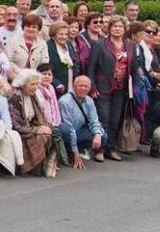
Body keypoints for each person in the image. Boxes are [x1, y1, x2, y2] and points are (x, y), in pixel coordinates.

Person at [87, 15, 140, 161]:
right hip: (103, 87)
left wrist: (135, 87)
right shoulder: (99, 44)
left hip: (121, 89)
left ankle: (111, 148)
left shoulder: (130, 45)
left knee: (116, 119)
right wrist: (92, 87)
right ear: (109, 28)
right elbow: (91, 67)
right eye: (114, 26)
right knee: (103, 118)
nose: (117, 29)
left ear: (125, 29)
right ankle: (99, 150)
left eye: (120, 27)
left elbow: (134, 68)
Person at [7, 69, 58, 176]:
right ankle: (31, 168)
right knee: (42, 134)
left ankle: (45, 165)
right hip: (17, 130)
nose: (35, 87)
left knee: (53, 131)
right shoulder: (14, 97)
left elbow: (38, 116)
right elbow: (15, 125)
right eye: (32, 84)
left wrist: (43, 126)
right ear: (23, 84)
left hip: (29, 125)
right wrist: (37, 129)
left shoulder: (32, 95)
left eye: (36, 84)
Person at [59, 76, 106, 166]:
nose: (83, 88)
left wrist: (98, 135)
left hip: (79, 132)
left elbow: (94, 121)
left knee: (103, 136)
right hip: (67, 132)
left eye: (86, 86)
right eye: (80, 85)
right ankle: (70, 152)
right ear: (74, 86)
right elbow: (70, 128)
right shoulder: (65, 101)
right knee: (65, 129)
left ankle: (79, 150)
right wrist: (75, 153)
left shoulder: (89, 100)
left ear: (89, 88)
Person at [47, 20, 77, 95]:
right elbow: (45, 68)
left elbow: (75, 62)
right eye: (61, 34)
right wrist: (55, 83)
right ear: (54, 34)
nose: (64, 37)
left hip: (71, 83)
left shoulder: (69, 44)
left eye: (66, 34)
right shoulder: (48, 46)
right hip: (56, 87)